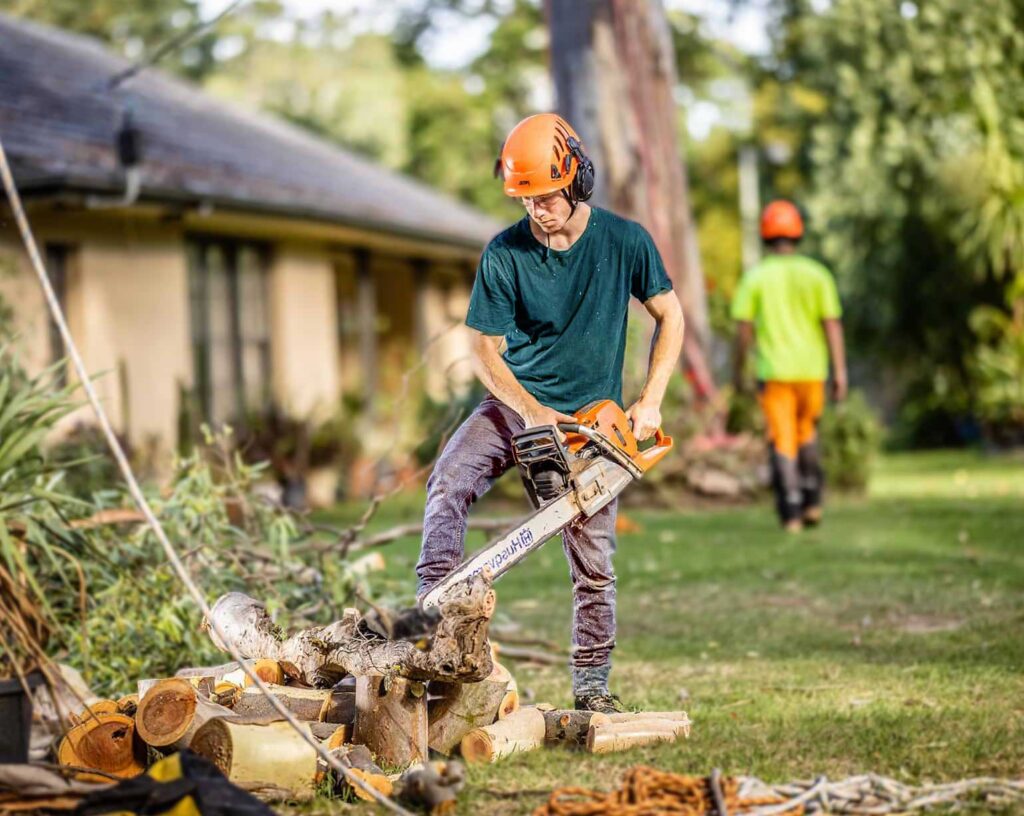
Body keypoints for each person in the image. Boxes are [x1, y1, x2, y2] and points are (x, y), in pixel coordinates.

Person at [415, 113, 684, 713]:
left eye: (547, 195)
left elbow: (673, 316)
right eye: (526, 198)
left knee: (594, 566)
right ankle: (431, 606)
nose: (538, 209)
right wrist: (530, 410)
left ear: (578, 180)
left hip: (593, 424)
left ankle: (591, 687)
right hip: (517, 406)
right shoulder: (505, 254)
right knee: (448, 481)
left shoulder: (625, 242)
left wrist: (651, 399)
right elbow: (483, 346)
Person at [732, 200, 847, 532]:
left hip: (775, 373)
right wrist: (840, 372)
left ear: (765, 236)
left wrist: (739, 373)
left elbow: (742, 332)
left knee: (783, 440)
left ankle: (792, 512)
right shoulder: (818, 274)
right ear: (798, 233)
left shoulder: (755, 278)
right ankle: (813, 501)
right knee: (806, 432)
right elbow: (833, 325)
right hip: (813, 372)